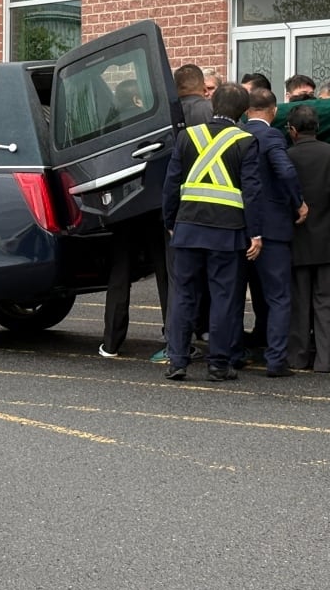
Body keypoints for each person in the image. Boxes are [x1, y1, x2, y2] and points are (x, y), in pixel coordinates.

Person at [160, 83, 263, 381]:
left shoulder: (186, 136)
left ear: (212, 102)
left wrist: (170, 221)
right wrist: (255, 233)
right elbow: (252, 193)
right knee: (224, 298)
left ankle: (177, 360)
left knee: (183, 295)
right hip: (227, 232)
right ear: (244, 111)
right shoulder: (246, 140)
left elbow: (171, 184)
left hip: (188, 227)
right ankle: (218, 364)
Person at [238, 88, 307, 377]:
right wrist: (299, 202)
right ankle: (276, 359)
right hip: (273, 228)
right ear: (274, 110)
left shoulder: (236, 135)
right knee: (278, 296)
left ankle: (233, 354)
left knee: (234, 293)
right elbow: (286, 171)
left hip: (239, 227)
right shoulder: (272, 137)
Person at [148, 64, 213, 363]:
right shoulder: (212, 112)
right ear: (202, 86)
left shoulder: (163, 116)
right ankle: (219, 341)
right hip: (218, 209)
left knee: (179, 282)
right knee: (220, 280)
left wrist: (168, 216)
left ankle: (177, 345)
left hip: (180, 212)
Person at [100, 77, 168, 358]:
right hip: (152, 205)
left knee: (121, 274)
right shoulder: (149, 121)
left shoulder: (108, 125)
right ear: (138, 99)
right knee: (165, 271)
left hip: (122, 209)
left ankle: (112, 342)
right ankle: (173, 335)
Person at [285, 105, 330, 372]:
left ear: (292, 130)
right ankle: (328, 359)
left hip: (296, 238)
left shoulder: (286, 156)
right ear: (318, 128)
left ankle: (297, 357)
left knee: (298, 304)